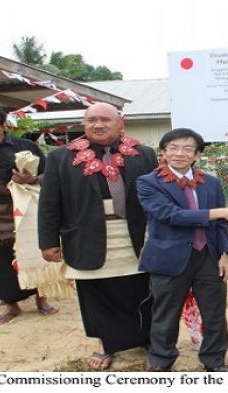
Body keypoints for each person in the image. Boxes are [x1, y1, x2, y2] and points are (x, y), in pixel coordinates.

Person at [38, 103, 157, 370]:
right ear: (84, 124)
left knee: (141, 288)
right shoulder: (60, 158)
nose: (98, 124)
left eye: (105, 119)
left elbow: (158, 196)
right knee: (95, 293)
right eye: (91, 120)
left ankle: (148, 338)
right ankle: (105, 343)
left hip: (134, 234)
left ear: (120, 124)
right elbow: (48, 203)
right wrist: (47, 241)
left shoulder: (144, 154)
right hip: (86, 234)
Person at [137, 128, 228, 372]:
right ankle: (161, 362)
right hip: (168, 257)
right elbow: (170, 215)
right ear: (163, 153)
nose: (179, 153)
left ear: (196, 155)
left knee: (214, 313)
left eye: (187, 148)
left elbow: (221, 225)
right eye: (172, 148)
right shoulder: (148, 182)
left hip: (209, 256)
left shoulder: (210, 183)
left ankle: (214, 360)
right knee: (165, 314)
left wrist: (224, 254)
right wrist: (218, 213)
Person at [0, 99, 57, 324]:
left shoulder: (25, 146)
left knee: (32, 252)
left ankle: (41, 300)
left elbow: (48, 176)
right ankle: (11, 306)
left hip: (22, 205)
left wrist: (32, 178)